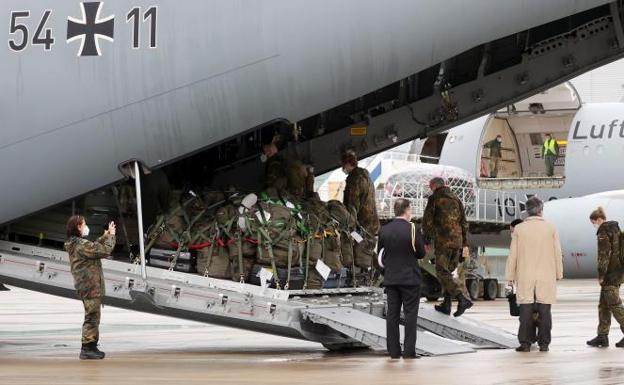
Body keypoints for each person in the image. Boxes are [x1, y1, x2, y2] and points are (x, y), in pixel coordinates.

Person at [506, 197, 563, 352]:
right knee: (545, 311)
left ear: (527, 211)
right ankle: (544, 344)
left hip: (525, 275)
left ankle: (525, 343)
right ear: (541, 210)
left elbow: (513, 255)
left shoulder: (519, 229)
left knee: (526, 311)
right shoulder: (551, 228)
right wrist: (559, 273)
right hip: (546, 275)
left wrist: (509, 277)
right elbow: (557, 252)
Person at [378, 198, 426, 359]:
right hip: (410, 278)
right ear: (406, 210)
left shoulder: (384, 229)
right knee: (410, 315)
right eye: (410, 209)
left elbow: (380, 255)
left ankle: (393, 351)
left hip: (391, 279)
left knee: (392, 315)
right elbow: (421, 253)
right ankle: (408, 351)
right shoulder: (413, 228)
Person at [64, 216, 117, 360]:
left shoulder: (77, 244)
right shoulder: (80, 245)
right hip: (89, 286)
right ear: (78, 227)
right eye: (84, 224)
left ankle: (91, 346)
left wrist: (105, 236)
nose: (86, 227)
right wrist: (111, 236)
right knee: (92, 317)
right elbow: (104, 251)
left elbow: (93, 246)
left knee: (93, 315)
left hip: (86, 285)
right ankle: (87, 348)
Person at [422, 177, 472, 317]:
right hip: (457, 241)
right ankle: (446, 305)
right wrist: (464, 244)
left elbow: (427, 222)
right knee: (448, 273)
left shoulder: (435, 199)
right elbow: (464, 223)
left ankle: (462, 298)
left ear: (433, 187)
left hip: (443, 241)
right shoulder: (456, 199)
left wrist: (426, 240)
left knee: (441, 272)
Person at [586, 207, 624, 348]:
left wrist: (601, 275)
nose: (594, 225)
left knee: (615, 305)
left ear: (598, 219)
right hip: (618, 273)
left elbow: (604, 255)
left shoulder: (604, 231)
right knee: (604, 305)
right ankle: (602, 336)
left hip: (610, 275)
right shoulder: (616, 229)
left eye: (593, 222)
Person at [341, 151, 380, 236]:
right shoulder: (365, 176)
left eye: (343, 165)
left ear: (348, 164)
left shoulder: (355, 179)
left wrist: (350, 228)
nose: (342, 168)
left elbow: (353, 205)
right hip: (372, 224)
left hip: (362, 226)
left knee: (358, 247)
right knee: (367, 247)